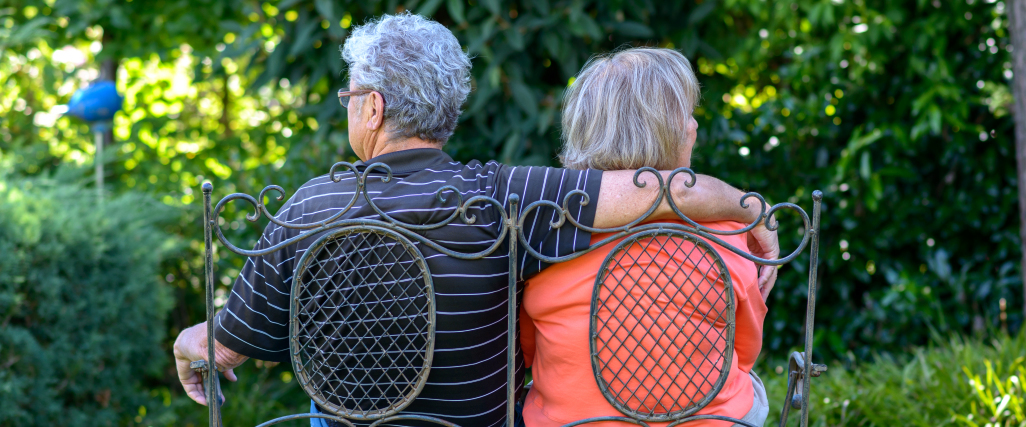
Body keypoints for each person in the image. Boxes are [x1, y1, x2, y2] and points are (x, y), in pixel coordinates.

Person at [170, 14, 778, 427]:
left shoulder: (310, 206)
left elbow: (226, 349)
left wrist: (190, 341)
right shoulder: (504, 193)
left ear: (373, 108)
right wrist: (749, 208)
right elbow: (656, 191)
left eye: (349, 97)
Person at [518, 48, 769, 427]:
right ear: (668, 132)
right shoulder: (728, 235)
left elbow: (530, 352)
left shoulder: (547, 234)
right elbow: (745, 348)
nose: (694, 126)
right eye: (687, 113)